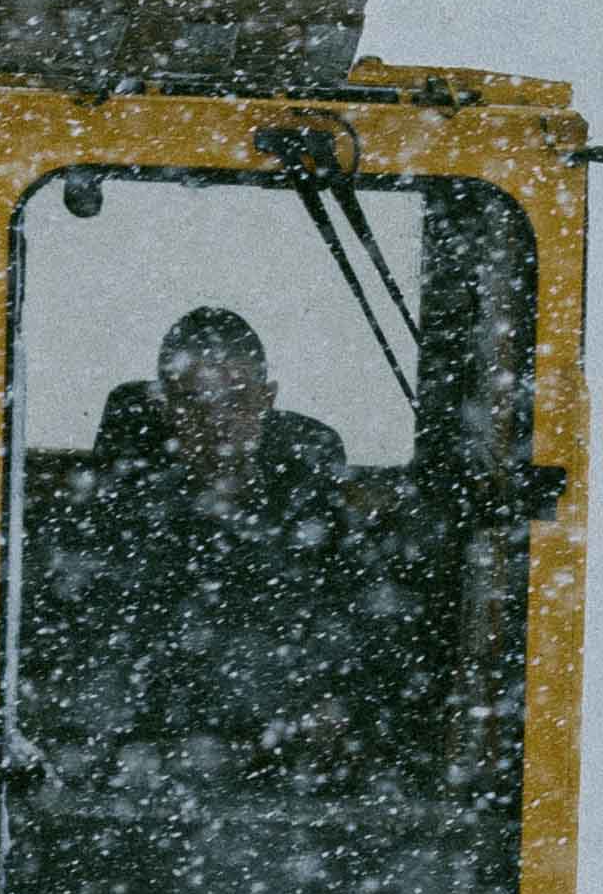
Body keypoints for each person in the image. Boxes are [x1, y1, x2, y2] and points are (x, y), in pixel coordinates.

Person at [34, 306, 363, 764]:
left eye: (236, 400)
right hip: (148, 749)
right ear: (165, 407)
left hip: (274, 750)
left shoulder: (306, 500)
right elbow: (104, 649)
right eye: (194, 403)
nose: (216, 422)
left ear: (267, 399)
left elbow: (344, 624)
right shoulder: (127, 507)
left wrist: (325, 706)